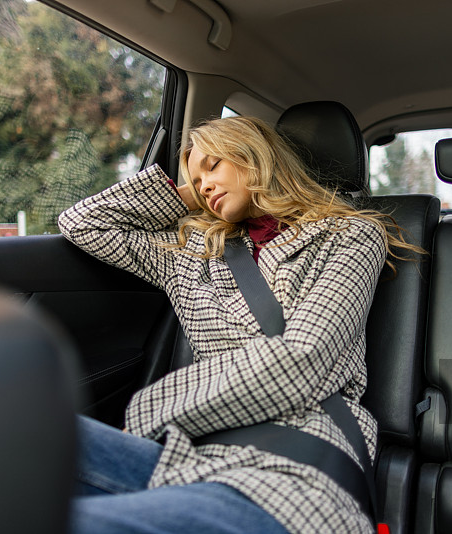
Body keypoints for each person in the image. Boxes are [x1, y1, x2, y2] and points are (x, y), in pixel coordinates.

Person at [58, 116, 422, 534]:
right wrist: (187, 196)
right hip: (194, 452)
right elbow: (82, 224)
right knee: (25, 435)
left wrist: (150, 412)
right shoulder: (191, 254)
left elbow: (303, 358)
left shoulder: (351, 234)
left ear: (256, 156)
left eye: (213, 166)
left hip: (294, 456)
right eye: (196, 181)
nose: (205, 185)